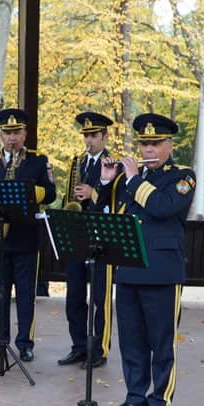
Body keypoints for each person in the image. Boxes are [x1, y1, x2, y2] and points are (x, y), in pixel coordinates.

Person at [105, 113, 196, 406]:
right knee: (131, 340)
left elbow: (161, 207)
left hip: (162, 271)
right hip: (128, 267)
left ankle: (159, 402)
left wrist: (132, 181)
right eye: (144, 144)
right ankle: (135, 397)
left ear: (170, 145)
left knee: (162, 340)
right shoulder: (129, 178)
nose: (148, 150)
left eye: (155, 144)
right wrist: (106, 182)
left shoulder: (183, 176)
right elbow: (109, 213)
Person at [0, 108, 56, 361]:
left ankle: (25, 343)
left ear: (25, 133)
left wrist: (29, 193)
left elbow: (51, 193)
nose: (12, 138)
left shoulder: (37, 160)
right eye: (7, 133)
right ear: (0, 134)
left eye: (17, 132)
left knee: (25, 294)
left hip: (25, 237)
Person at [57, 111, 116, 369]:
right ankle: (79, 346)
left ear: (105, 136)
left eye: (93, 135)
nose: (89, 140)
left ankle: (99, 349)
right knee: (75, 297)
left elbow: (116, 203)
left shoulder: (115, 165)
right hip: (77, 237)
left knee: (100, 299)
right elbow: (69, 195)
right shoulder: (76, 163)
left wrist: (93, 194)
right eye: (86, 135)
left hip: (102, 239)